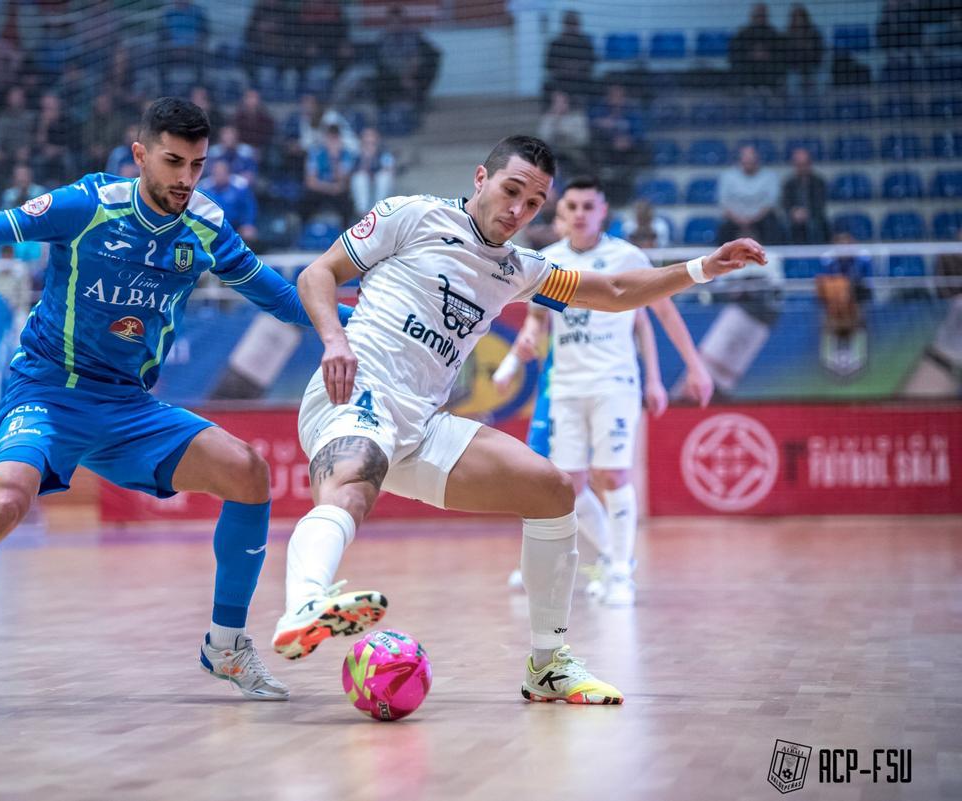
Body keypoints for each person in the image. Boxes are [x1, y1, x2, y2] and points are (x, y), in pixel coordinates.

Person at [0, 98, 350, 704]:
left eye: (198, 164)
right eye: (173, 162)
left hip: (128, 407)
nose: (186, 178)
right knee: (4, 499)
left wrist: (357, 327)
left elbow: (280, 297)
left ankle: (226, 645)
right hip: (48, 390)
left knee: (248, 472)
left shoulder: (207, 226)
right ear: (140, 156)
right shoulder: (87, 205)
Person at [271, 135, 765, 703]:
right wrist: (334, 340)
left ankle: (548, 666)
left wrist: (704, 267)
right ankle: (306, 602)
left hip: (422, 424)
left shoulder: (520, 269)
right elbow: (317, 275)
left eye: (532, 204)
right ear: (481, 178)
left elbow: (618, 289)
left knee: (552, 490)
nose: (517, 211)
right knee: (352, 485)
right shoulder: (410, 215)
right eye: (510, 192)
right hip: (356, 392)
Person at [499, 177, 714, 607]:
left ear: (603, 213)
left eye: (588, 206)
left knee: (614, 476)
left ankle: (619, 572)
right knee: (568, 486)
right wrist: (527, 338)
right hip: (565, 385)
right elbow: (539, 319)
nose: (580, 213)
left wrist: (694, 365)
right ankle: (617, 559)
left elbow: (662, 312)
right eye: (573, 206)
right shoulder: (549, 260)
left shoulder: (626, 256)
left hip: (614, 382)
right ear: (563, 214)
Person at [717, 145, 784, 245]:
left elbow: (770, 203)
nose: (749, 164)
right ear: (740, 160)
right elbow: (724, 202)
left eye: (752, 161)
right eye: (746, 162)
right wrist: (739, 219)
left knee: (773, 226)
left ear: (757, 160)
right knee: (723, 229)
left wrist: (753, 219)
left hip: (761, 218)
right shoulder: (728, 176)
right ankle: (722, 258)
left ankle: (773, 258)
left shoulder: (770, 176)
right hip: (735, 219)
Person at [781, 147, 828, 245]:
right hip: (793, 217)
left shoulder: (819, 182)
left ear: (810, 164)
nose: (802, 167)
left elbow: (820, 203)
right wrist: (794, 212)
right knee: (783, 226)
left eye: (804, 164)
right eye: (799, 165)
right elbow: (785, 203)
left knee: (818, 225)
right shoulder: (789, 183)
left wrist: (807, 213)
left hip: (814, 215)